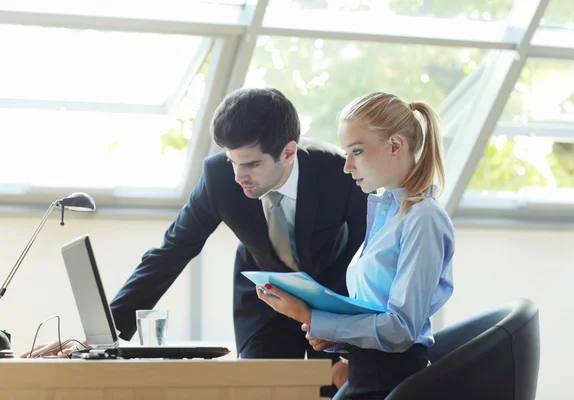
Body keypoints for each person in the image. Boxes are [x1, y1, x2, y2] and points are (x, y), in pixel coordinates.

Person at [22, 88, 369, 395]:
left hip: (334, 295)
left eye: (250, 164)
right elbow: (172, 251)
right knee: (265, 389)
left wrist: (355, 344)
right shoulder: (220, 177)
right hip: (266, 301)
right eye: (232, 161)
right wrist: (101, 335)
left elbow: (368, 258)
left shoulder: (340, 174)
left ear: (289, 152)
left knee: (332, 387)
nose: (238, 176)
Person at [256, 92, 455, 400]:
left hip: (392, 385)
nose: (347, 166)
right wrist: (332, 335)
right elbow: (376, 312)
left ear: (395, 145)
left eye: (357, 151)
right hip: (366, 377)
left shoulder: (423, 218)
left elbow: (401, 330)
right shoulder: (389, 212)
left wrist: (312, 317)